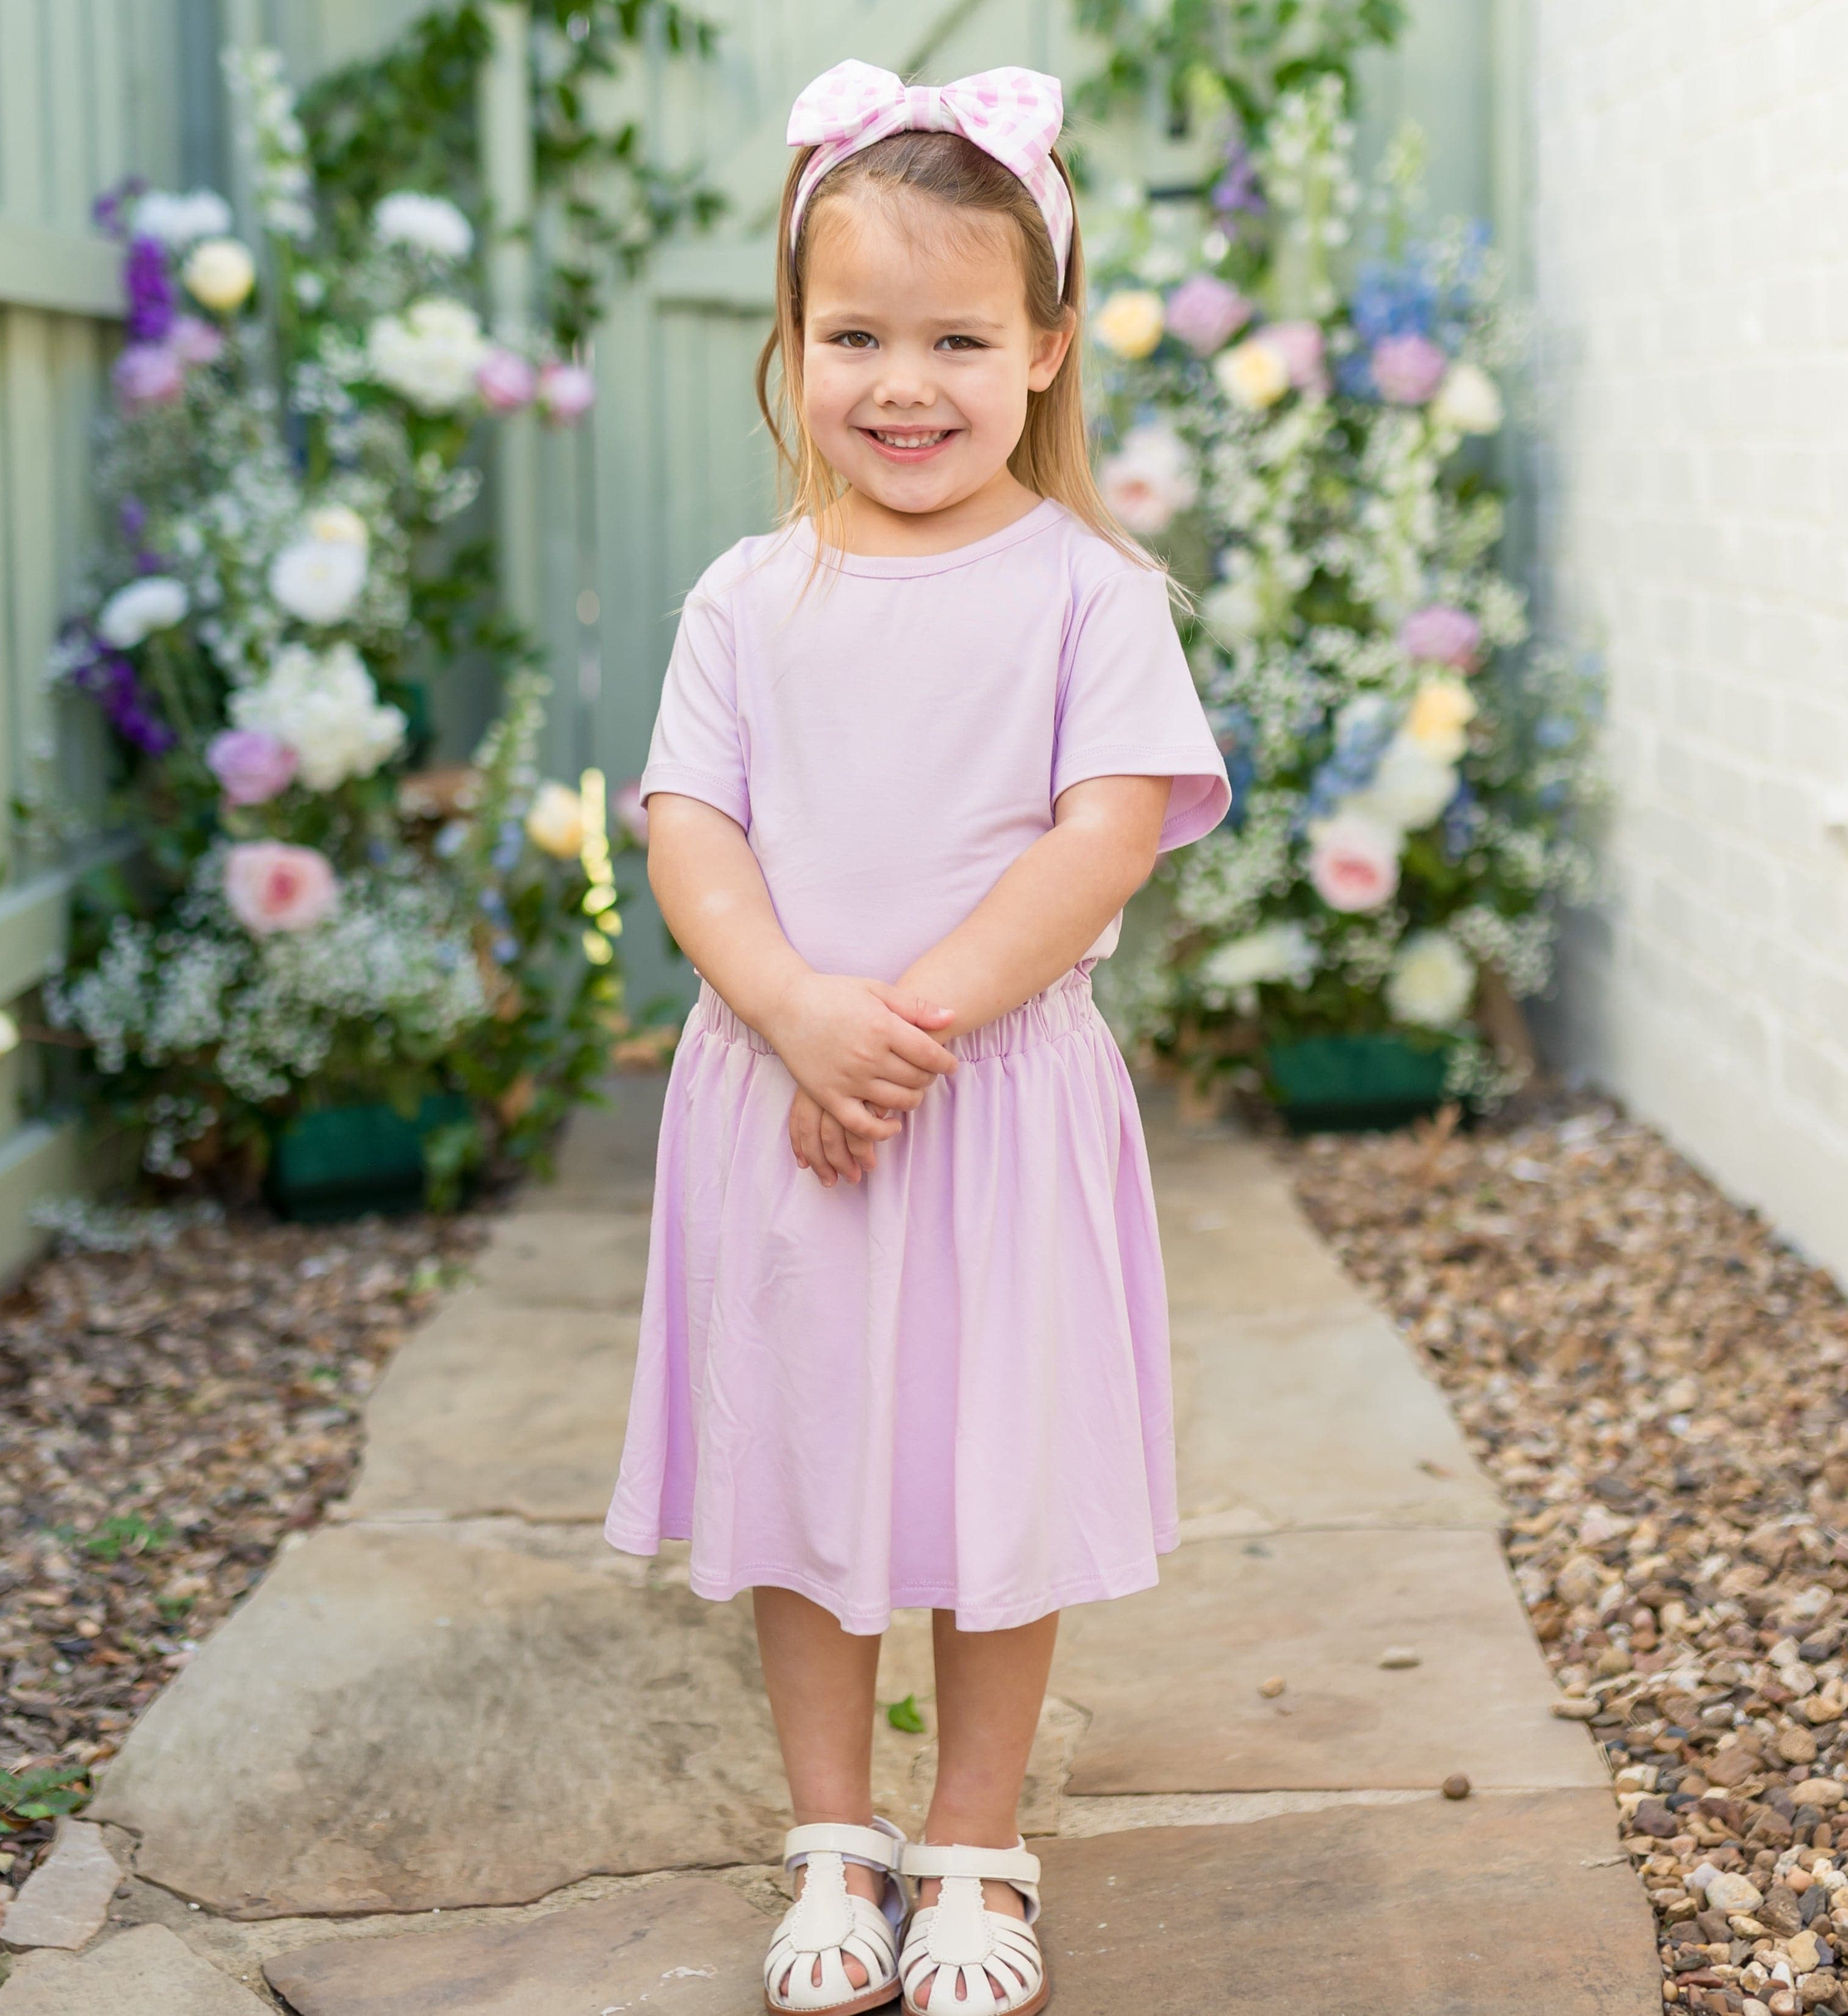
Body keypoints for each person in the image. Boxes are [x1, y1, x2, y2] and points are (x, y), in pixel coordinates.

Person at [605, 58, 1229, 2016]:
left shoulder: (1089, 592)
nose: (903, 380)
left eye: (956, 335)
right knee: (799, 1469)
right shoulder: (746, 595)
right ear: (789, 347)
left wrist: (915, 1020)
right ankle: (831, 1828)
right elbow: (687, 825)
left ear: (1043, 348)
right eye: (854, 332)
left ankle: (970, 1832)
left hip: (983, 1104)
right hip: (785, 1098)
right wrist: (796, 1009)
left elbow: (1103, 827)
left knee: (993, 1475)